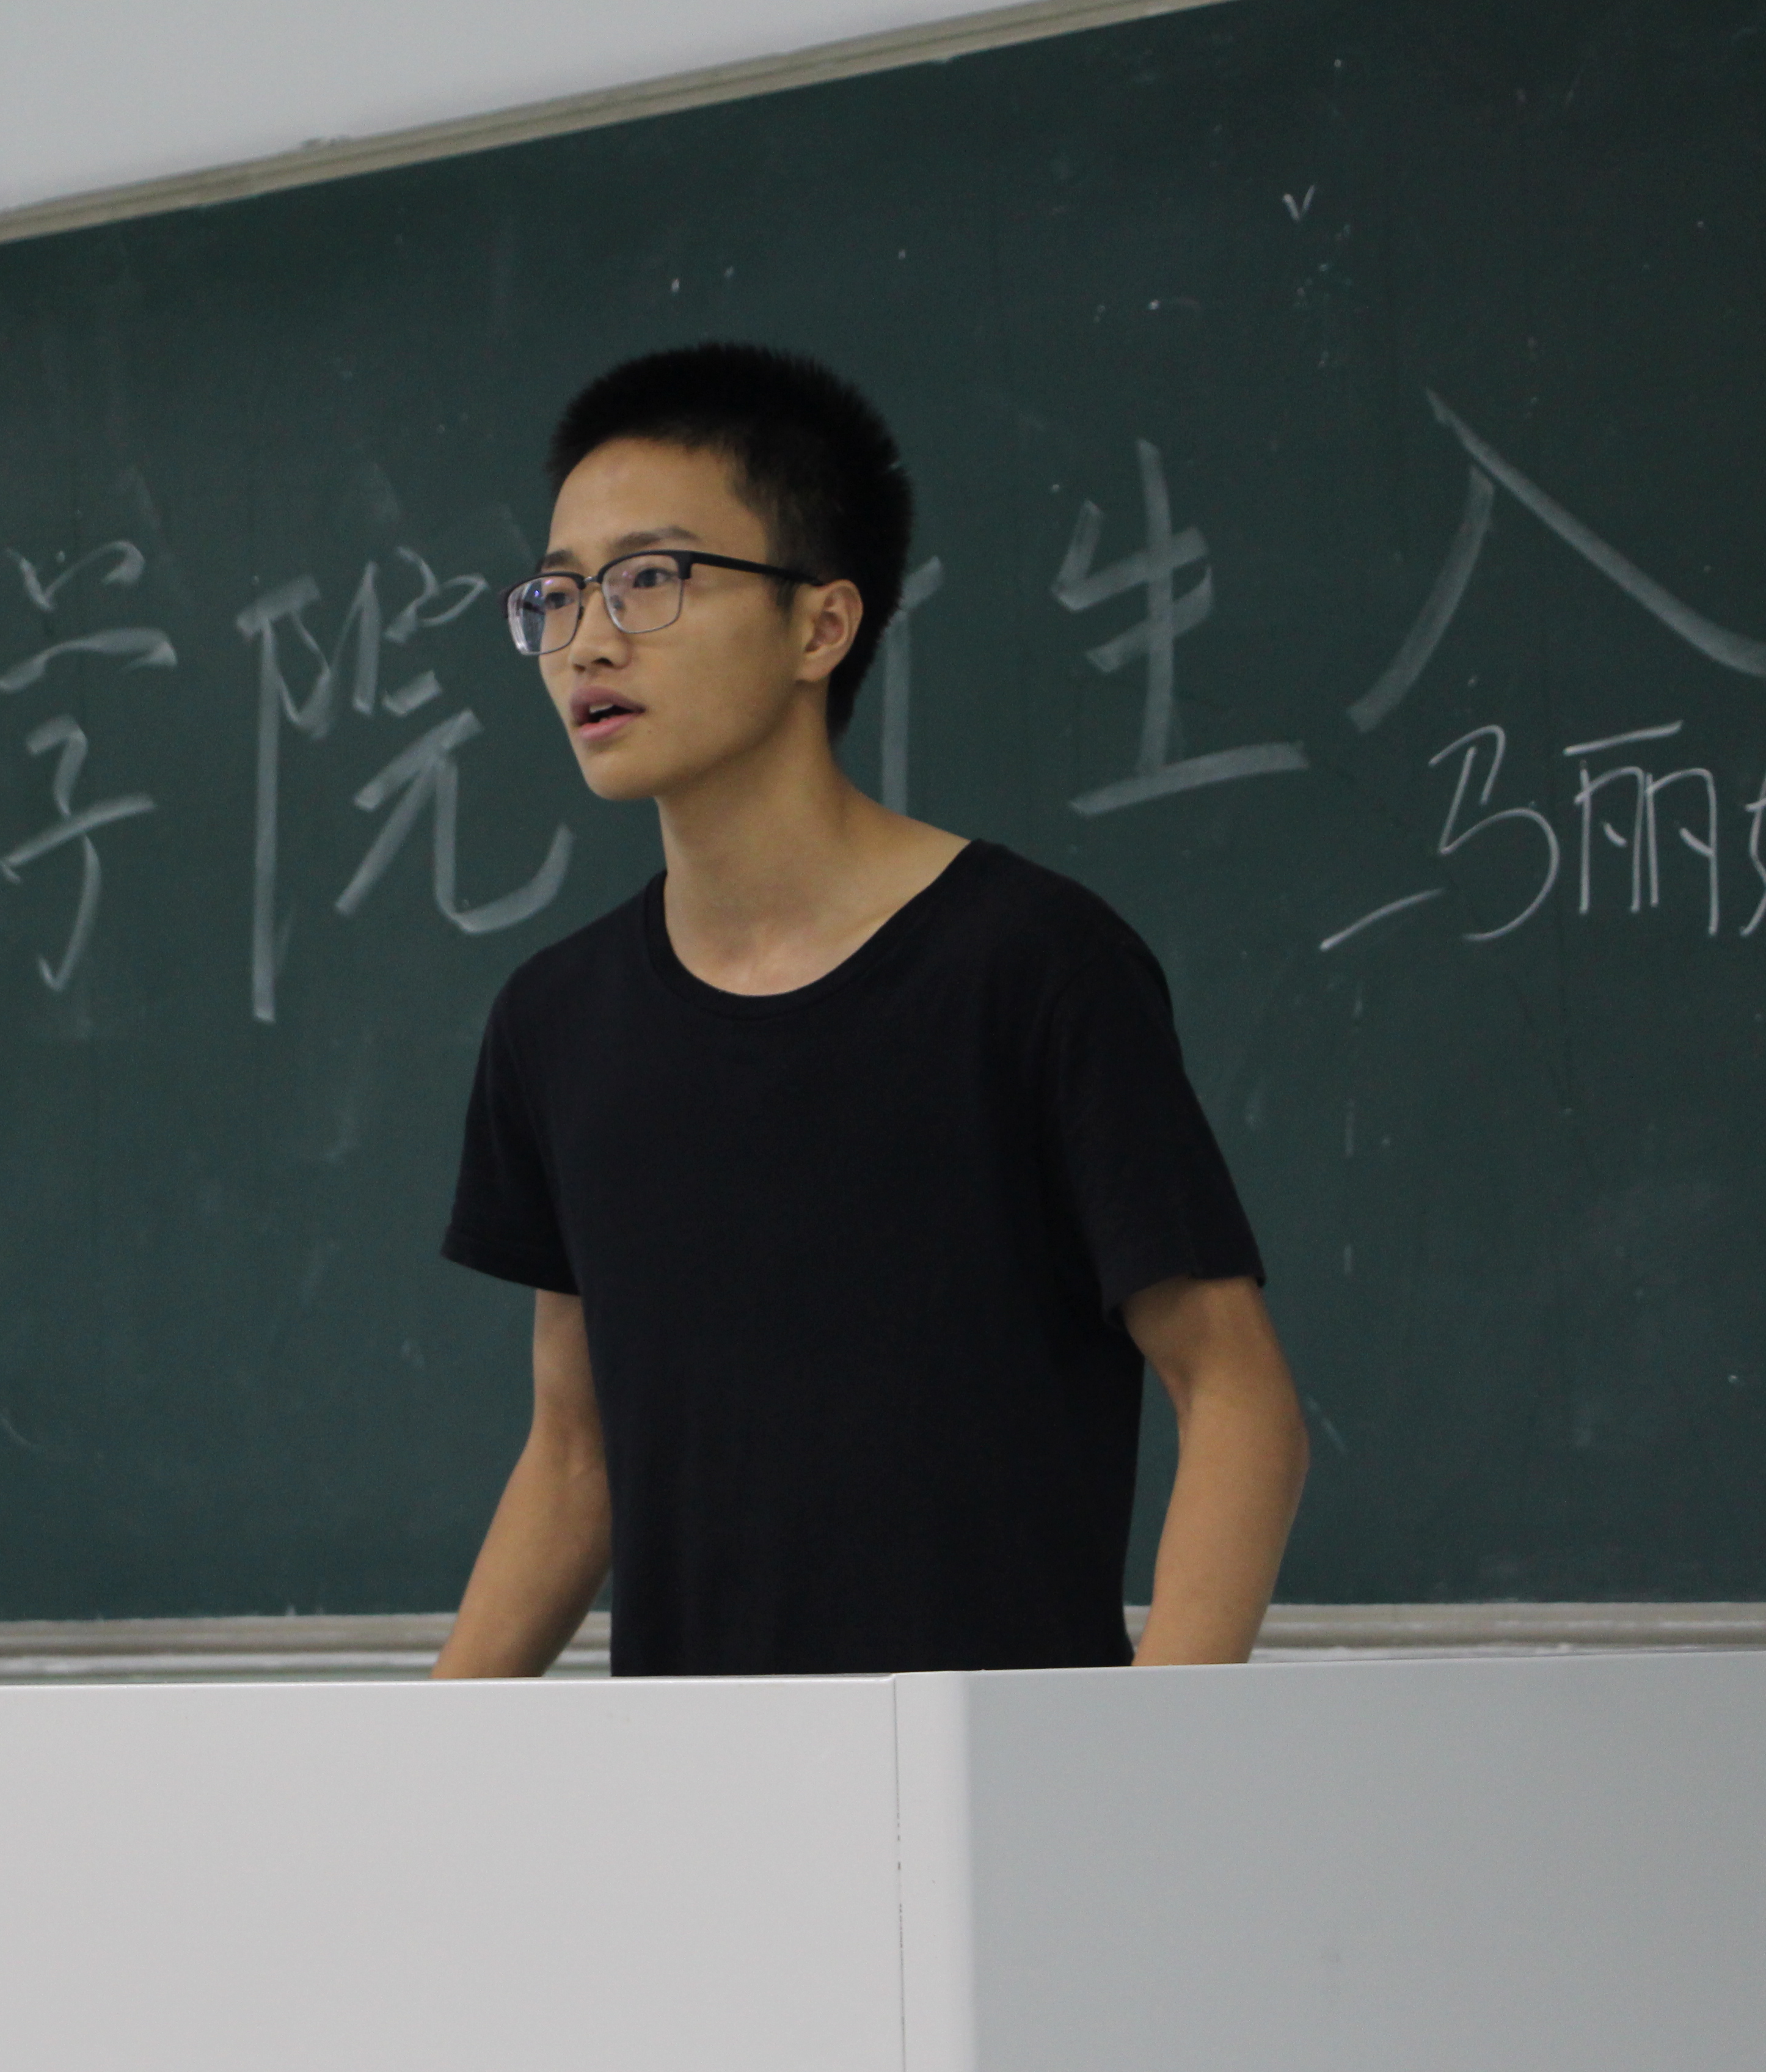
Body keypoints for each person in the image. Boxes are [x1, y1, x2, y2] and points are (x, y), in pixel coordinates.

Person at [432, 343, 1307, 1678]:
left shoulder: (1033, 965)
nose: (588, 640)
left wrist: (1135, 1757)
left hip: (997, 1779)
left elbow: (1236, 1397)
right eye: (558, 594)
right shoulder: (556, 1024)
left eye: (650, 579)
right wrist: (419, 1766)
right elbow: (574, 1458)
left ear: (821, 627)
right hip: (692, 1786)